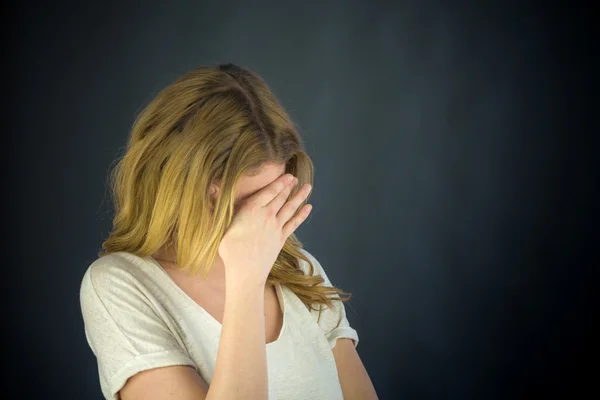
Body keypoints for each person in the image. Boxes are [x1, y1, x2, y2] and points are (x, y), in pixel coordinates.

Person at [79, 63, 379, 400]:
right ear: (172, 183)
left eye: (259, 201)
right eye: (223, 202)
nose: (240, 220)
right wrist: (246, 278)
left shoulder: (301, 271)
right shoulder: (120, 285)